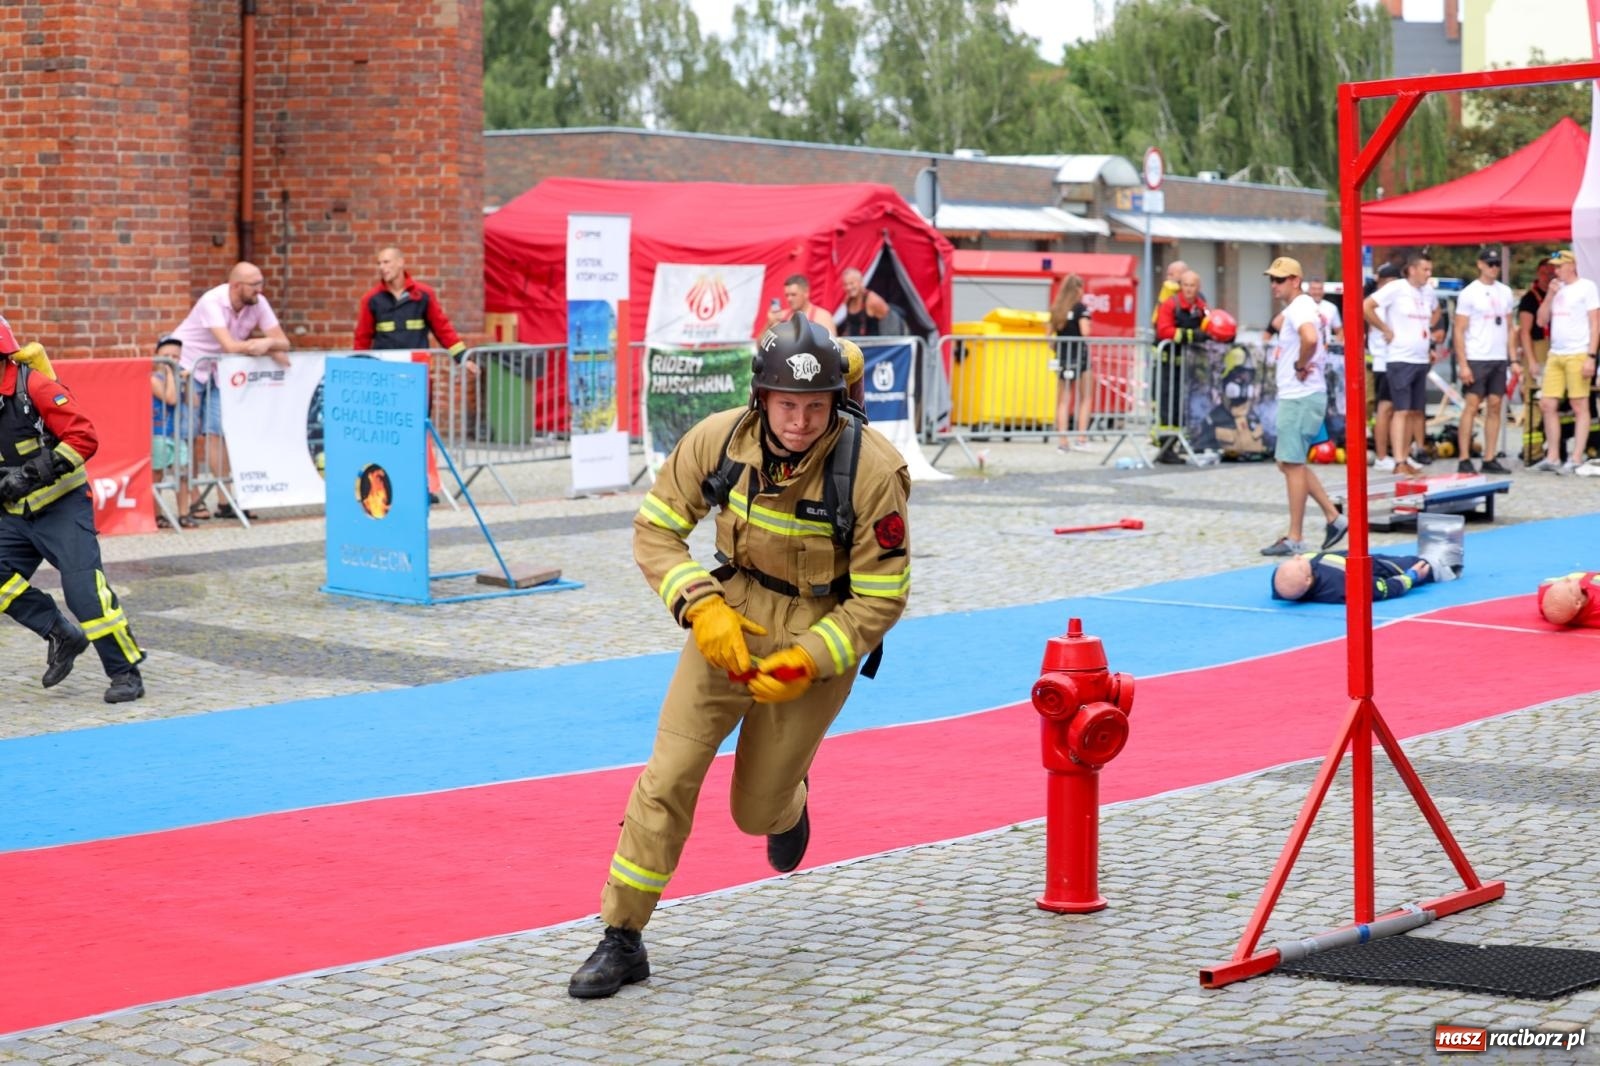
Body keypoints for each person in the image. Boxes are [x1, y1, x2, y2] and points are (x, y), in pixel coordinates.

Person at [568, 316, 910, 999]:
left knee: (754, 812)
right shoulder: (718, 439)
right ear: (761, 397)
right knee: (667, 777)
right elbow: (657, 529)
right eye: (787, 404)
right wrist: (701, 604)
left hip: (820, 628)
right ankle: (622, 937)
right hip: (728, 622)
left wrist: (810, 660)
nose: (801, 421)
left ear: (835, 402)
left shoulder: (872, 470)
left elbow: (881, 596)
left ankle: (789, 804)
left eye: (816, 407)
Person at [0, 313, 146, 702]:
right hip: (14, 515)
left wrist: (29, 475)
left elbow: (84, 437)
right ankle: (60, 632)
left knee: (85, 593)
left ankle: (124, 672)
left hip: (61, 507)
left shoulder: (36, 387)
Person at [166, 262, 292, 521]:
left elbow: (283, 342)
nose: (260, 289)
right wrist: (260, 347)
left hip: (218, 372)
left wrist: (268, 342)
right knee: (187, 433)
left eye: (261, 282)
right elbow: (229, 345)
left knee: (218, 432)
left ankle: (225, 500)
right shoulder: (212, 301)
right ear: (236, 286)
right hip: (190, 367)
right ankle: (191, 498)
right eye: (254, 284)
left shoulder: (258, 301)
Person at [1261, 257, 1347, 558]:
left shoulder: (1300, 308)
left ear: (1295, 280)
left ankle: (1295, 536)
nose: (1274, 284)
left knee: (1292, 463)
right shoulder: (1303, 307)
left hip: (1300, 394)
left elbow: (1309, 338)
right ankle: (1333, 518)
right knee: (1288, 462)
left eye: (1280, 279)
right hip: (1302, 394)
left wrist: (1300, 362)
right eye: (1272, 279)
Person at [1364, 250, 1435, 476]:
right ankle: (1398, 460)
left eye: (1430, 270)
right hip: (1400, 358)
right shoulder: (1397, 288)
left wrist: (1430, 336)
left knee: (1414, 411)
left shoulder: (1428, 292)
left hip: (1420, 358)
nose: (1428, 274)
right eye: (1425, 270)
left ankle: (1405, 456)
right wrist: (1385, 329)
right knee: (1400, 410)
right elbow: (1366, 306)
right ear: (1412, 269)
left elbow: (1436, 313)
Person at [1532, 249, 1599, 473]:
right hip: (1556, 353)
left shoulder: (1586, 287)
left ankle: (1576, 456)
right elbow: (1541, 321)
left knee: (1579, 404)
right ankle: (1552, 456)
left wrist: (1591, 356)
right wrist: (1550, 296)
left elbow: (1595, 323)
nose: (1556, 270)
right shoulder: (1556, 289)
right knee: (1547, 403)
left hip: (1578, 352)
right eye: (1555, 266)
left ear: (1572, 266)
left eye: (1560, 266)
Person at [353, 246, 473, 368]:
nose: (382, 268)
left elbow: (443, 329)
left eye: (386, 262)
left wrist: (462, 357)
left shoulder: (423, 295)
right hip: (386, 371)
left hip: (416, 368)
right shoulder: (371, 299)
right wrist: (357, 367)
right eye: (379, 263)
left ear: (400, 262)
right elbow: (362, 339)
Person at [1452, 248, 1517, 474]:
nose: (1494, 268)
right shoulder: (1469, 293)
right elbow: (1459, 330)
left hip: (1498, 356)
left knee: (1495, 406)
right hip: (1477, 355)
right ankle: (1464, 456)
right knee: (1471, 405)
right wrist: (1463, 364)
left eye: (1497, 264)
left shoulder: (1505, 292)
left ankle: (1490, 456)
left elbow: (1510, 327)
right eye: (1490, 263)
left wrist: (1513, 358)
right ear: (1480, 264)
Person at [151, 335, 197, 528]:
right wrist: (171, 375)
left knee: (183, 472)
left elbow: (193, 402)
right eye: (167, 356)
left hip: (175, 434)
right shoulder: (153, 379)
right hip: (157, 433)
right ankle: (156, 514)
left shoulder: (179, 379)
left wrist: (187, 383)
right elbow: (170, 399)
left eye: (175, 357)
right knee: (157, 475)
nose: (171, 360)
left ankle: (184, 514)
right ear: (157, 357)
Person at [1154, 270, 1208, 431]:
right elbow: (1163, 330)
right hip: (1169, 364)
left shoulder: (1201, 307)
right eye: (1185, 285)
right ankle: (1166, 444)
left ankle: (1185, 439)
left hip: (1190, 366)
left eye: (1192, 285)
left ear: (1198, 287)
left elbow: (1209, 324)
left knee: (1186, 404)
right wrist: (1191, 335)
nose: (1189, 289)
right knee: (1168, 403)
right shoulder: (1170, 304)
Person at [1271, 551, 1434, 604]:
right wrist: (1411, 577)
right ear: (1308, 580)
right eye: (1299, 562)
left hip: (1346, 557)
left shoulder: (1284, 582)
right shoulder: (1342, 585)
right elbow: (1383, 589)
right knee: (1421, 564)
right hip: (1368, 567)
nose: (1297, 556)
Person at [1516, 255, 1555, 465]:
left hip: (1555, 348)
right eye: (1545, 273)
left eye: (1552, 273)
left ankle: (1553, 448)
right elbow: (1524, 332)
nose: (1549, 276)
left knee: (1554, 401)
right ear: (1538, 274)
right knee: (1535, 401)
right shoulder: (1530, 298)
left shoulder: (1558, 294)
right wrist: (1531, 360)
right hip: (1537, 348)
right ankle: (1532, 449)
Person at [1049, 273, 1094, 451]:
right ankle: (1081, 439)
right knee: (1085, 397)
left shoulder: (1057, 309)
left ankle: (1062, 441)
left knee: (1062, 400)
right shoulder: (1080, 308)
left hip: (1062, 356)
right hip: (1080, 357)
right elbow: (1085, 332)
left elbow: (1049, 336)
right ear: (1077, 289)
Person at [1366, 263, 1402, 471]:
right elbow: (1366, 312)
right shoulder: (1379, 299)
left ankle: (1392, 452)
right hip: (1383, 359)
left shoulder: (1390, 298)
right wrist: (1385, 329)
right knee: (1385, 408)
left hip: (1395, 358)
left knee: (1396, 409)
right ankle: (1381, 455)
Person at [837, 267, 906, 338]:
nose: (848, 287)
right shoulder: (848, 300)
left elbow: (892, 330)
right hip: (856, 344)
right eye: (845, 284)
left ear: (861, 282)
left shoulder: (873, 300)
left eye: (852, 283)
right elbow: (851, 326)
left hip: (874, 345)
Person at [763, 274, 836, 336]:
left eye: (793, 294)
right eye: (787, 295)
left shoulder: (822, 316)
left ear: (806, 293)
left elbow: (832, 348)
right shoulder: (781, 317)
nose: (789, 299)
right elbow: (760, 345)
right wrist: (769, 323)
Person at [1309, 278, 1344, 350]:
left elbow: (1339, 331)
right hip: (1307, 350)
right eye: (1314, 289)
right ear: (1309, 290)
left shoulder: (1331, 308)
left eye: (1319, 289)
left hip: (1325, 352)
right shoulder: (1302, 306)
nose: (1317, 292)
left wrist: (1333, 346)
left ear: (1323, 291)